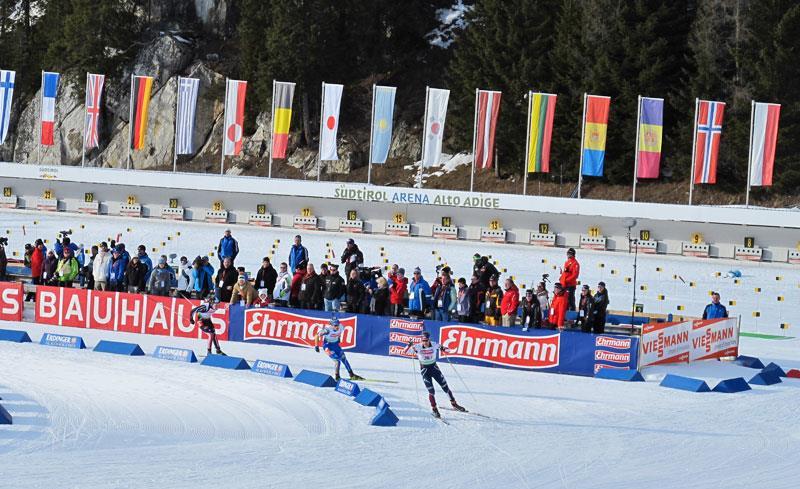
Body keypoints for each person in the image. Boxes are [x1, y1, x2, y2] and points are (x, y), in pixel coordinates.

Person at [405, 331, 465, 419]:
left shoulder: (434, 344)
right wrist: (409, 345)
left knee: (445, 387)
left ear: (429, 339)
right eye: (423, 340)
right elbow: (405, 351)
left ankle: (454, 404)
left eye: (426, 340)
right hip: (425, 371)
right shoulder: (417, 347)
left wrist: (443, 349)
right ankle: (434, 409)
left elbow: (449, 350)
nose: (425, 342)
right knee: (431, 391)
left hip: (434, 369)